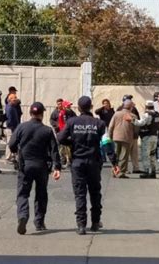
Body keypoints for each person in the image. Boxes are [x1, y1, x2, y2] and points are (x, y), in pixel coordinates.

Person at [58, 96, 120, 235]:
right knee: (95, 193)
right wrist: (114, 162)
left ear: (79, 108)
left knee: (80, 194)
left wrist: (73, 142)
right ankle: (95, 222)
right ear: (91, 107)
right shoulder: (99, 123)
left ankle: (81, 224)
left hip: (78, 162)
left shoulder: (72, 122)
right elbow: (106, 143)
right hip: (93, 161)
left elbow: (61, 138)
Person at [9, 102, 62, 235]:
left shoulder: (21, 127)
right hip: (42, 166)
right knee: (41, 194)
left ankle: (23, 215)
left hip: (25, 165)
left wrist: (17, 151)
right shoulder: (47, 130)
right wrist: (57, 167)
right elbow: (54, 150)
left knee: (23, 193)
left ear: (30, 113)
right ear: (42, 114)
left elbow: (12, 145)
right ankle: (39, 222)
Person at [125, 100, 159, 179]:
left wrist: (131, 120)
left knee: (145, 155)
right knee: (152, 155)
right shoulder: (157, 114)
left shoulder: (147, 114)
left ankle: (147, 171)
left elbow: (141, 123)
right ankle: (153, 171)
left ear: (146, 106)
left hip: (147, 137)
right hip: (154, 136)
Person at [108, 99, 134, 178]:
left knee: (115, 155)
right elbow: (136, 128)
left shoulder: (116, 114)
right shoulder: (132, 116)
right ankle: (121, 172)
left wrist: (110, 135)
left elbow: (111, 126)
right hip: (127, 137)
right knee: (123, 156)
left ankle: (114, 170)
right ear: (130, 107)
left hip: (116, 137)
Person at [117, 95, 141, 173]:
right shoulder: (120, 109)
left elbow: (138, 120)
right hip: (126, 134)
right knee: (125, 153)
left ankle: (135, 168)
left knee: (133, 152)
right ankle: (125, 169)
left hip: (130, 134)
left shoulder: (133, 109)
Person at [58, 100, 76, 167]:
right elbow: (64, 124)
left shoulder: (71, 112)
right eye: (68, 105)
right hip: (64, 132)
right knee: (64, 148)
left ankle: (69, 160)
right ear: (64, 106)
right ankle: (65, 160)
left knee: (69, 147)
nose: (69, 106)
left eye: (70, 105)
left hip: (70, 132)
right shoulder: (63, 113)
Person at [4, 93, 21, 164]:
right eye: (14, 99)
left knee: (12, 142)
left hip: (13, 127)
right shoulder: (10, 108)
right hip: (11, 128)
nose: (15, 100)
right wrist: (13, 128)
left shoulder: (12, 106)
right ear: (10, 100)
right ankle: (8, 158)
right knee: (10, 143)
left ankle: (12, 157)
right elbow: (10, 119)